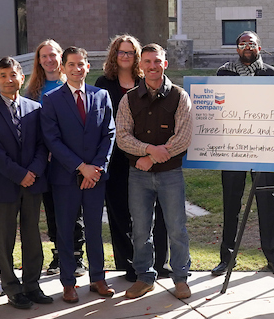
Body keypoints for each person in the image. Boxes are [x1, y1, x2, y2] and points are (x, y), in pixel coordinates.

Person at [115, 44, 193, 300]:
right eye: (147, 62)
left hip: (170, 174)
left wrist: (152, 158)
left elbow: (182, 138)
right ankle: (144, 277)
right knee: (140, 229)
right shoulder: (129, 99)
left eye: (157, 61)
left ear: (165, 64)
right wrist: (148, 151)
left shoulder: (180, 97)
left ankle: (181, 278)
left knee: (177, 228)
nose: (152, 66)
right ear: (140, 66)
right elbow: (122, 137)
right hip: (138, 176)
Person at [40, 46, 115, 303]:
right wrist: (79, 167)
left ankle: (97, 278)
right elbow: (52, 139)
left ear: (87, 66)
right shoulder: (51, 99)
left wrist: (96, 168)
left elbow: (109, 133)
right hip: (65, 178)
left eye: (81, 64)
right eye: (71, 64)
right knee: (65, 230)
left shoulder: (101, 95)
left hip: (95, 177)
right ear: (63, 68)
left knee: (95, 229)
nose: (76, 69)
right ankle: (68, 282)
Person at [0, 57, 52, 309]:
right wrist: (19, 174)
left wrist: (34, 171)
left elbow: (43, 145)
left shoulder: (36, 108)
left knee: (32, 237)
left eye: (13, 74)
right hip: (5, 183)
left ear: (21, 76)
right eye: (3, 76)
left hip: (33, 183)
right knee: (4, 238)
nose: (9, 80)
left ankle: (32, 285)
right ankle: (12, 288)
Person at [94, 34, 169, 283]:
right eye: (121, 52)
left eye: (130, 52)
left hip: (145, 156)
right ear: (114, 55)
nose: (125, 56)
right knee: (119, 213)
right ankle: (128, 264)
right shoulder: (104, 83)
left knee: (152, 213)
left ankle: (157, 262)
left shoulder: (145, 81)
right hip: (115, 159)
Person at [212, 31, 274, 277]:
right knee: (231, 202)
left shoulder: (273, 75)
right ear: (236, 49)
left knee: (267, 201)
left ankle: (272, 258)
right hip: (233, 146)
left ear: (259, 48)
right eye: (242, 43)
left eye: (251, 43)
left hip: (264, 147)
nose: (246, 46)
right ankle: (226, 258)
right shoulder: (224, 74)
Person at [27, 39, 86, 277]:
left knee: (75, 210)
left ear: (61, 58)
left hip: (72, 159)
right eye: (44, 56)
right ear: (39, 61)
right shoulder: (32, 92)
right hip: (47, 162)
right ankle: (59, 254)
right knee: (52, 210)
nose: (49, 60)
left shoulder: (72, 85)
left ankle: (77, 256)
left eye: (53, 55)